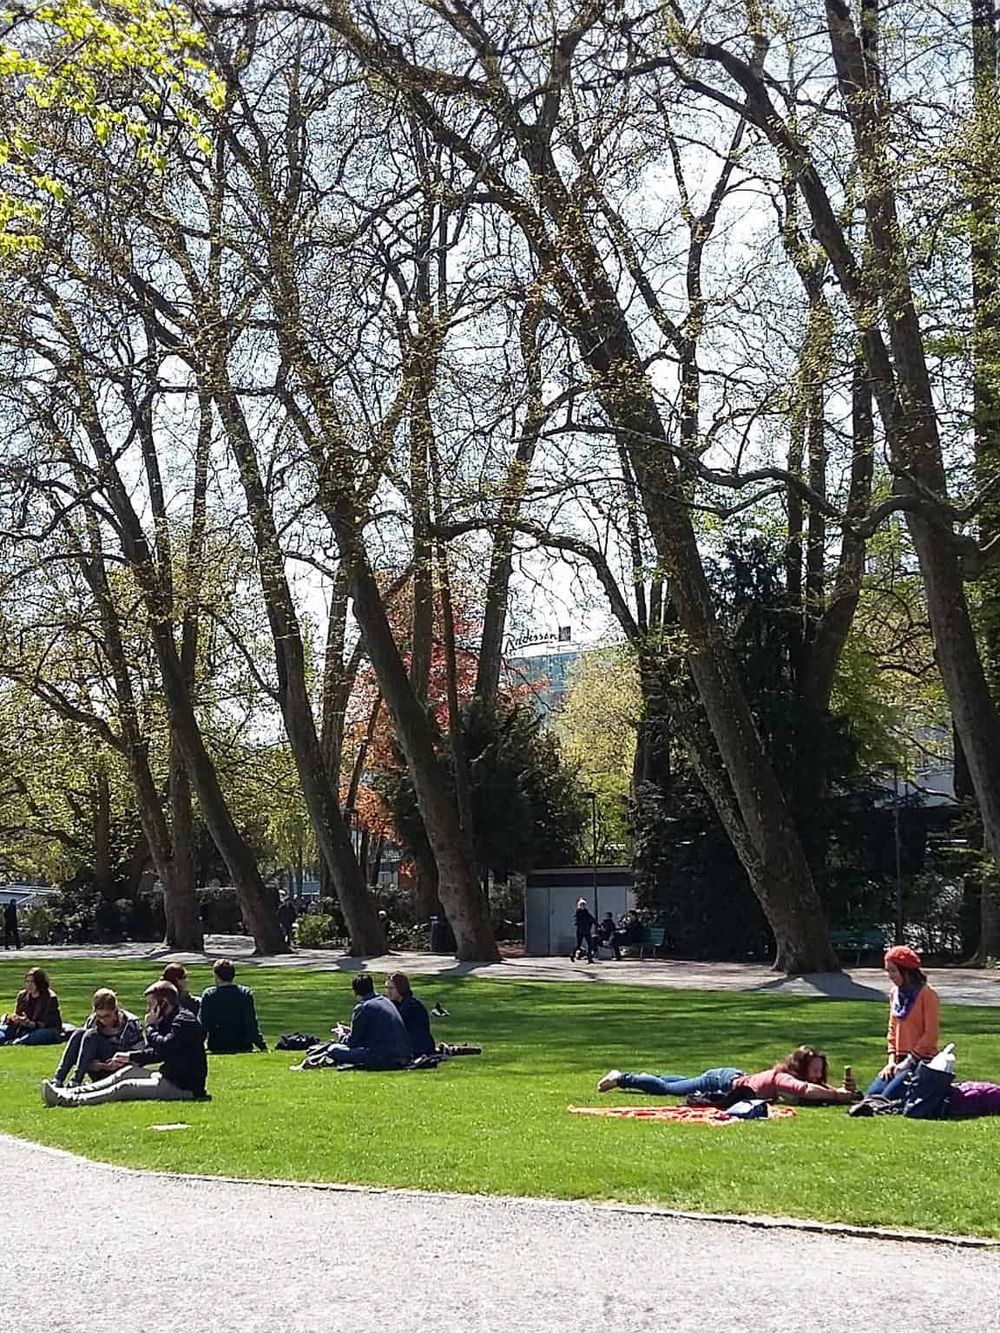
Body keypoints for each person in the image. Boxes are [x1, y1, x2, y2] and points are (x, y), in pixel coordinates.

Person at [41, 980, 208, 1106]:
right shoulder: (169, 1020)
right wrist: (129, 1057)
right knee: (126, 1072)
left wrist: (149, 1027)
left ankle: (70, 1099)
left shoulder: (183, 1021)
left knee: (125, 1087)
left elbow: (165, 1047)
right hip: (168, 1076)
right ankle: (70, 1090)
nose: (148, 1009)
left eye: (151, 1004)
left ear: (163, 1004)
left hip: (183, 1086)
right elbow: (157, 1053)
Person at [597, 1045, 856, 1104]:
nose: (818, 1074)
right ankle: (621, 1077)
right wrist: (838, 1096)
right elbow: (807, 1091)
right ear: (801, 1068)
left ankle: (647, 1075)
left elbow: (816, 1088)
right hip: (720, 1081)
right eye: (814, 1069)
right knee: (667, 1090)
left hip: (731, 1076)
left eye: (820, 1070)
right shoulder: (784, 1078)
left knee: (673, 1082)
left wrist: (845, 1092)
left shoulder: (794, 1078)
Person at [865, 945, 940, 1099]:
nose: (890, 976)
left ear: (906, 971)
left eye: (893, 971)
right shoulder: (894, 993)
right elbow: (892, 1030)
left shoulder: (927, 994)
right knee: (871, 1095)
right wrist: (891, 1061)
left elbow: (930, 1034)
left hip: (921, 1060)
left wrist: (909, 1061)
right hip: (899, 1058)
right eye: (888, 971)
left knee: (886, 1098)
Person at [51, 988, 143, 1087]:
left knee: (91, 1035)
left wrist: (120, 1062)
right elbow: (83, 1052)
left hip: (120, 1068)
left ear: (115, 1011)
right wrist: (99, 1065)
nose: (103, 1021)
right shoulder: (92, 1021)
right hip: (98, 1067)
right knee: (79, 1033)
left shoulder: (130, 1024)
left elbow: (140, 1056)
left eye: (107, 1016)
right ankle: (58, 1078)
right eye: (100, 1016)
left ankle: (76, 1080)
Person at [327, 973, 411, 1069]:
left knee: (333, 1049)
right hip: (403, 1055)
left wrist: (342, 1036)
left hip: (383, 1058)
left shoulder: (363, 1007)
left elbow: (353, 1043)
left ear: (355, 992)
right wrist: (351, 1032)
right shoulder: (385, 1001)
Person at [199, 959, 267, 1053]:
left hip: (217, 1045)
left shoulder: (209, 995)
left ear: (216, 976)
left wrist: (197, 1045)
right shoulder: (244, 993)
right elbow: (250, 1023)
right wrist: (262, 1045)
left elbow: (203, 1024)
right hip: (242, 1044)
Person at [0, 968, 63, 1045]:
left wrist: (29, 1023)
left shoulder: (50, 998)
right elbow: (18, 1016)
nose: (29, 985)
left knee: (38, 1035)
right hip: (23, 1029)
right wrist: (11, 1020)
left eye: (32, 982)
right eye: (27, 981)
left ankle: (18, 1041)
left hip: (45, 1029)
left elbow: (48, 1023)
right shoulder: (22, 995)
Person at [385, 972, 435, 1057]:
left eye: (391, 988)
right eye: (387, 988)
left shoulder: (411, 1006)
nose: (388, 992)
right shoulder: (397, 1004)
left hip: (417, 1048)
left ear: (400, 988)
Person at [572, 898, 595, 963]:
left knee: (590, 944)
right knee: (578, 945)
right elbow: (579, 920)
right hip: (580, 931)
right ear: (579, 905)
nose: (583, 906)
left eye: (584, 905)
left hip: (586, 931)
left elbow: (592, 919)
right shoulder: (578, 912)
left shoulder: (586, 912)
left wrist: (597, 925)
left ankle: (589, 958)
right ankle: (572, 955)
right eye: (582, 905)